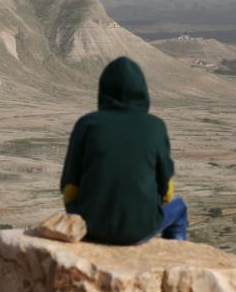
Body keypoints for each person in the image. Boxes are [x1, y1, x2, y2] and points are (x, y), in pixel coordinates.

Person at [60, 56, 188, 245]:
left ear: (103, 90)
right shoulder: (155, 126)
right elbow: (166, 188)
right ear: (142, 91)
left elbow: (69, 186)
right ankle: (175, 258)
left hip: (89, 228)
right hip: (140, 230)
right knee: (179, 208)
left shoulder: (87, 124)